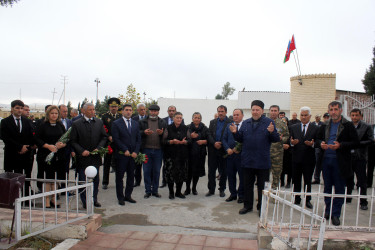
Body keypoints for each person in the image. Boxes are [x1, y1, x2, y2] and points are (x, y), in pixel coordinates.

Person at [230, 100, 280, 215]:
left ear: (262, 111)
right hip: (248, 160)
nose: (255, 112)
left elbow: (276, 139)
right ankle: (247, 206)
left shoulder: (269, 122)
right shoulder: (246, 123)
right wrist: (235, 133)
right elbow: (240, 139)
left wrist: (272, 132)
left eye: (257, 110)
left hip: (262, 161)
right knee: (247, 185)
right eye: (253, 109)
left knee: (262, 187)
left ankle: (261, 208)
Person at [316, 101, 359, 226]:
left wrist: (341, 145)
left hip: (340, 162)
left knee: (339, 188)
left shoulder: (348, 125)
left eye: (335, 109)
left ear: (340, 110)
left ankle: (336, 214)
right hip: (326, 160)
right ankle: (327, 211)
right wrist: (321, 144)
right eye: (331, 109)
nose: (333, 112)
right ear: (328, 111)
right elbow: (318, 139)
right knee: (327, 188)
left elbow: (356, 142)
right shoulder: (325, 125)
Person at [70, 103, 108, 208]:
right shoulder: (77, 124)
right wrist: (81, 151)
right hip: (83, 157)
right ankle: (85, 201)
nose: (93, 111)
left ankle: (94, 199)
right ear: (84, 111)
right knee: (83, 180)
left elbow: (104, 137)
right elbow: (73, 141)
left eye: (93, 109)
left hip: (95, 157)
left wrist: (99, 148)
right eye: (90, 110)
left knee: (95, 179)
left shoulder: (99, 122)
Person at [1, 100, 35, 196]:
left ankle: (26, 196)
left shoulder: (27, 121)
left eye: (21, 108)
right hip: (12, 154)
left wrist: (26, 148)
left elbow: (32, 137)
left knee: (26, 177)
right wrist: (19, 147)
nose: (19, 110)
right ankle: (12, 197)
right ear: (12, 109)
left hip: (25, 155)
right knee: (12, 178)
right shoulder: (5, 122)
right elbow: (6, 138)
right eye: (17, 108)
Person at [35, 105, 67, 208]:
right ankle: (47, 200)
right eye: (52, 113)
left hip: (58, 155)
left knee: (55, 179)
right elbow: (37, 139)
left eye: (56, 113)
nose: (54, 115)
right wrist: (47, 146)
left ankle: (54, 199)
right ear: (48, 114)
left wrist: (62, 144)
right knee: (48, 179)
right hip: (46, 155)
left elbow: (65, 138)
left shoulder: (60, 125)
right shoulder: (42, 125)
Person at [112, 104, 141, 206]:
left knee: (131, 176)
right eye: (126, 110)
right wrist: (124, 149)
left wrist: (136, 152)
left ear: (132, 112)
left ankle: (128, 195)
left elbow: (138, 139)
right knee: (119, 177)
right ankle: (120, 197)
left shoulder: (135, 123)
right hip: (121, 155)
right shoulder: (116, 124)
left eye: (130, 110)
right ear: (122, 112)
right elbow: (116, 139)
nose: (128, 112)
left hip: (132, 156)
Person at [290, 106, 319, 209]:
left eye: (306, 115)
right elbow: (290, 141)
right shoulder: (294, 127)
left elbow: (319, 142)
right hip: (296, 159)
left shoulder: (315, 128)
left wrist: (312, 144)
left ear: (310, 116)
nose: (303, 117)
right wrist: (292, 143)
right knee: (296, 180)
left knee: (307, 180)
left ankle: (307, 200)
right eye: (302, 115)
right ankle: (297, 199)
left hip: (309, 159)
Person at [347, 108, 373, 210]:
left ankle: (363, 201)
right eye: (352, 115)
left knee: (362, 181)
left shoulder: (366, 127)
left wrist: (358, 144)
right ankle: (348, 197)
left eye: (356, 115)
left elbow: (371, 140)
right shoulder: (347, 126)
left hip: (360, 157)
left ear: (360, 116)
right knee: (348, 178)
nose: (354, 117)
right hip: (349, 157)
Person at [139, 104, 167, 198]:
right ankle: (148, 191)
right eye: (152, 111)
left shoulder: (162, 122)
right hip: (146, 149)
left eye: (155, 111)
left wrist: (162, 133)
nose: (153, 112)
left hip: (158, 150)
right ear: (149, 111)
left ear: (158, 112)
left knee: (156, 171)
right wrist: (144, 132)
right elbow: (137, 133)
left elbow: (167, 135)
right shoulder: (143, 121)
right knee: (146, 171)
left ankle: (155, 190)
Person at [206, 105, 232, 197]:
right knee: (211, 171)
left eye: (222, 111)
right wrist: (214, 143)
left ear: (226, 112)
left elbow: (230, 136)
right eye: (219, 111)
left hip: (224, 150)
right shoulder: (212, 122)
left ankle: (222, 189)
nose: (220, 113)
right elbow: (208, 134)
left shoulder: (230, 122)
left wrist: (221, 144)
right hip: (213, 149)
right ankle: (211, 190)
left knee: (223, 171)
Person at [163, 112, 190, 199]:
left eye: (180, 118)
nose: (179, 119)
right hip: (170, 155)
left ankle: (178, 192)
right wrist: (171, 141)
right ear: (173, 118)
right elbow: (163, 141)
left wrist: (185, 142)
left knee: (181, 174)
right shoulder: (168, 128)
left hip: (182, 155)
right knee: (170, 174)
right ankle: (171, 193)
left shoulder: (186, 128)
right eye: (177, 118)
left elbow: (190, 141)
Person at [223, 109, 244, 203]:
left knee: (242, 176)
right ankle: (233, 194)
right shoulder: (228, 126)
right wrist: (227, 148)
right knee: (231, 176)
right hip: (230, 155)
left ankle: (241, 195)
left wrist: (239, 148)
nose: (235, 116)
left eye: (237, 115)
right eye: (234, 115)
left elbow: (247, 139)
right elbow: (224, 139)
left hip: (241, 156)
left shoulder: (246, 125)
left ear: (242, 115)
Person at [184, 112, 208, 196]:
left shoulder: (204, 128)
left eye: (198, 118)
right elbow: (184, 138)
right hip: (189, 154)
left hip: (200, 154)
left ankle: (194, 188)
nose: (197, 119)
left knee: (196, 172)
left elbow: (208, 138)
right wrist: (190, 136)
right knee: (188, 172)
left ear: (200, 119)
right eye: (195, 117)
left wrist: (203, 141)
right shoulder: (187, 127)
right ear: (192, 119)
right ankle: (187, 188)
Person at [160, 105, 185, 188]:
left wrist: (183, 141)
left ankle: (175, 180)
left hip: (179, 148)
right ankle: (165, 181)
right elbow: (163, 136)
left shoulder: (181, 120)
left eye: (173, 110)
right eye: (170, 110)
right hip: (167, 148)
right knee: (166, 166)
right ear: (167, 111)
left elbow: (183, 132)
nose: (171, 112)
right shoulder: (163, 120)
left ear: (175, 111)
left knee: (177, 166)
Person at [101, 98, 122, 190]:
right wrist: (108, 136)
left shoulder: (121, 116)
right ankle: (105, 182)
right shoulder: (104, 116)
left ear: (118, 107)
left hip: (118, 143)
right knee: (107, 163)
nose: (114, 108)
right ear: (109, 107)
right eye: (112, 106)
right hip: (108, 143)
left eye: (115, 106)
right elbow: (102, 128)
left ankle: (119, 181)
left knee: (119, 163)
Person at [269, 105, 289, 189]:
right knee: (264, 175)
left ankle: (274, 192)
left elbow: (287, 136)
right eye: (272, 110)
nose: (273, 112)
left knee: (276, 175)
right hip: (265, 153)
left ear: (278, 112)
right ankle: (264, 194)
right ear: (269, 111)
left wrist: (281, 139)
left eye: (275, 111)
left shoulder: (282, 123)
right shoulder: (264, 122)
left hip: (277, 154)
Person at [132, 103, 148, 187]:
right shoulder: (133, 119)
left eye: (144, 109)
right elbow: (133, 131)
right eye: (141, 109)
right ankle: (137, 181)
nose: (143, 111)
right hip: (137, 145)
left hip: (147, 144)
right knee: (137, 165)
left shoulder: (148, 119)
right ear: (137, 110)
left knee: (147, 165)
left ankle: (148, 182)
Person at [312, 113, 330, 184]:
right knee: (318, 164)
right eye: (325, 117)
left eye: (327, 117)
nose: (326, 119)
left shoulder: (333, 126)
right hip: (321, 149)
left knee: (327, 165)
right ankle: (317, 178)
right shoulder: (322, 126)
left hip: (330, 148)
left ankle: (326, 179)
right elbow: (317, 138)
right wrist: (321, 143)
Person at [58, 104, 73, 188]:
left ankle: (64, 187)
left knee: (66, 169)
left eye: (67, 111)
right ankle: (57, 187)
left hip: (67, 150)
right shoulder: (55, 121)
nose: (65, 113)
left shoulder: (70, 122)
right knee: (58, 169)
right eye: (64, 111)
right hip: (57, 149)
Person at [280, 117, 292, 188]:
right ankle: (281, 182)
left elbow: (292, 138)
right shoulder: (279, 130)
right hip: (281, 151)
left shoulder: (291, 129)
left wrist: (289, 145)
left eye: (285, 121)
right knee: (282, 168)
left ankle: (288, 182)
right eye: (282, 121)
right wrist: (282, 145)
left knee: (289, 168)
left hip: (289, 151)